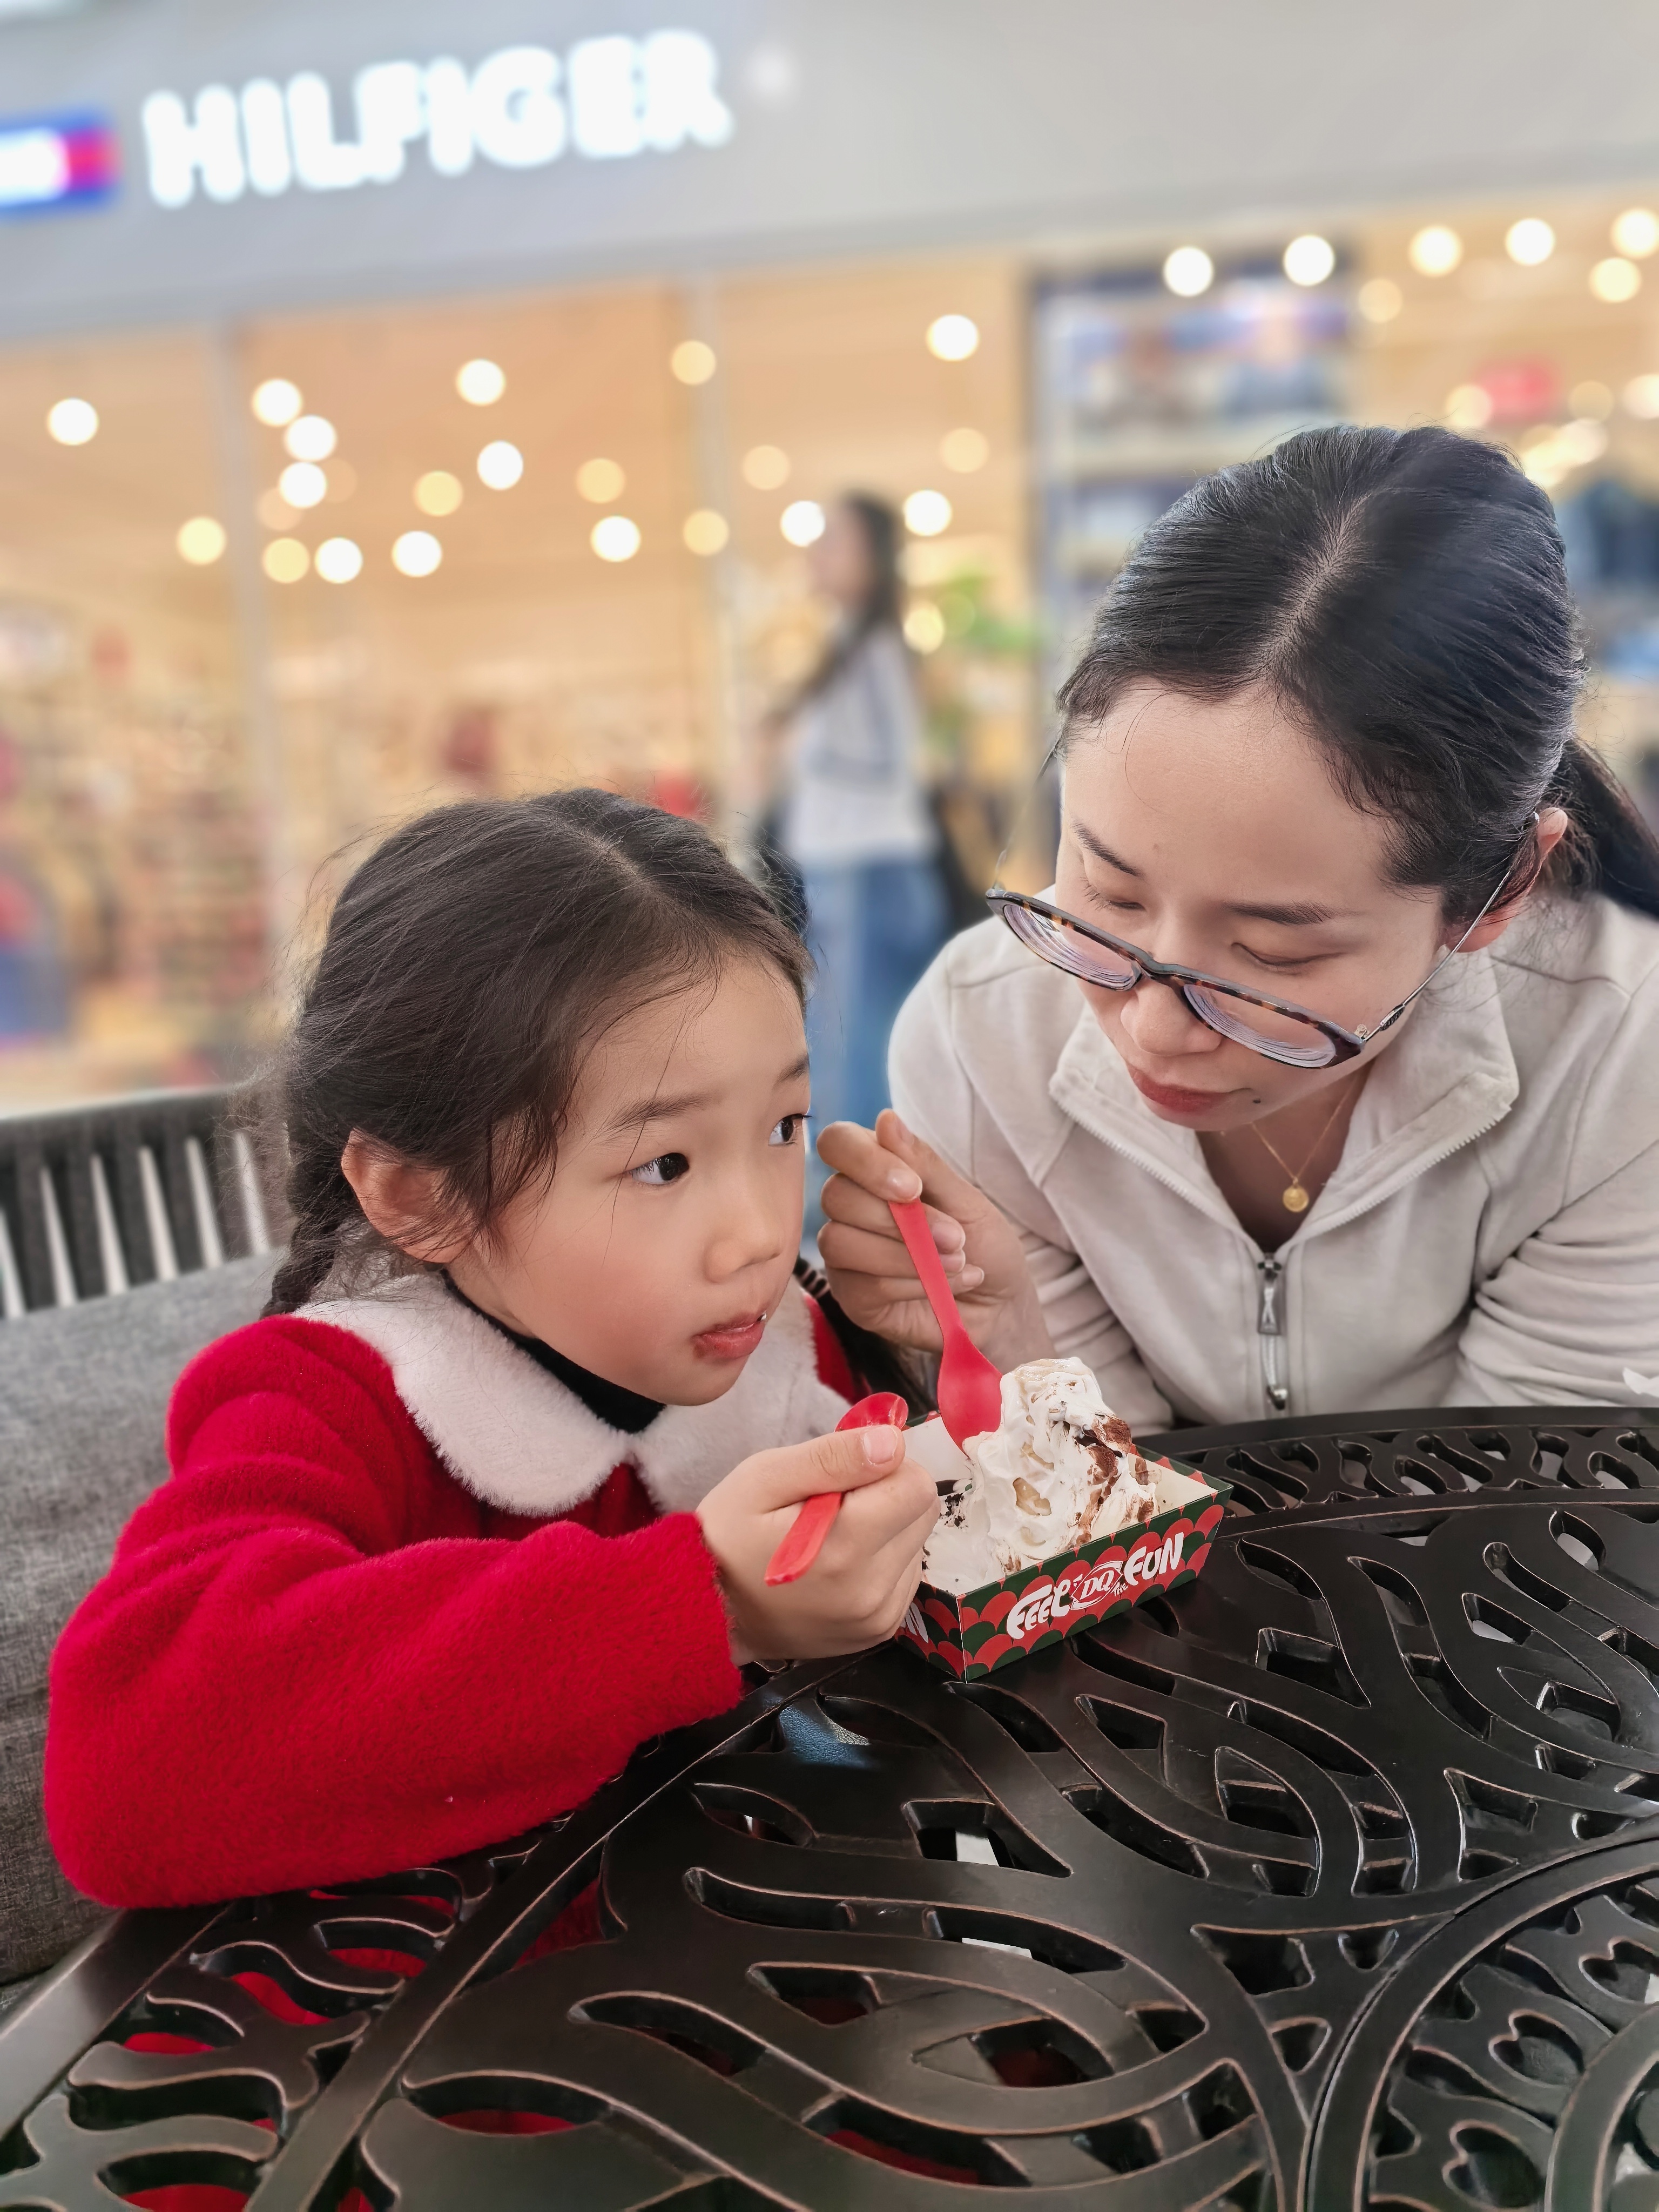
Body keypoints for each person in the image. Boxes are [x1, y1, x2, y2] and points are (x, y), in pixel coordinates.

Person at [46, 792, 938, 1908]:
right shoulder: (334, 1396)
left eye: (782, 1128)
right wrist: (704, 1602)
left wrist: (951, 1346)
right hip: (429, 2050)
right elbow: (126, 1777)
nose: (764, 1230)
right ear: (417, 1195)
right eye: (663, 1163)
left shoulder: (782, 1347)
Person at [816, 426, 1659, 1425]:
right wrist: (1015, 1353)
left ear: (1503, 887)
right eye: (1109, 889)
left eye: (1273, 951)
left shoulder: (1618, 1051)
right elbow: (1103, 1527)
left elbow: (1522, 1514)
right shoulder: (978, 1038)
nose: (1157, 1028)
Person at [773, 494, 949, 1168]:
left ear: (873, 558)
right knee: (849, 1034)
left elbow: (889, 758)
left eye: (834, 540)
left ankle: (858, 1187)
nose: (816, 554)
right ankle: (852, 1186)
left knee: (857, 1041)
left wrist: (804, 751)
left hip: (867, 865)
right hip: (850, 866)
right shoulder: (852, 644)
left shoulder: (873, 649)